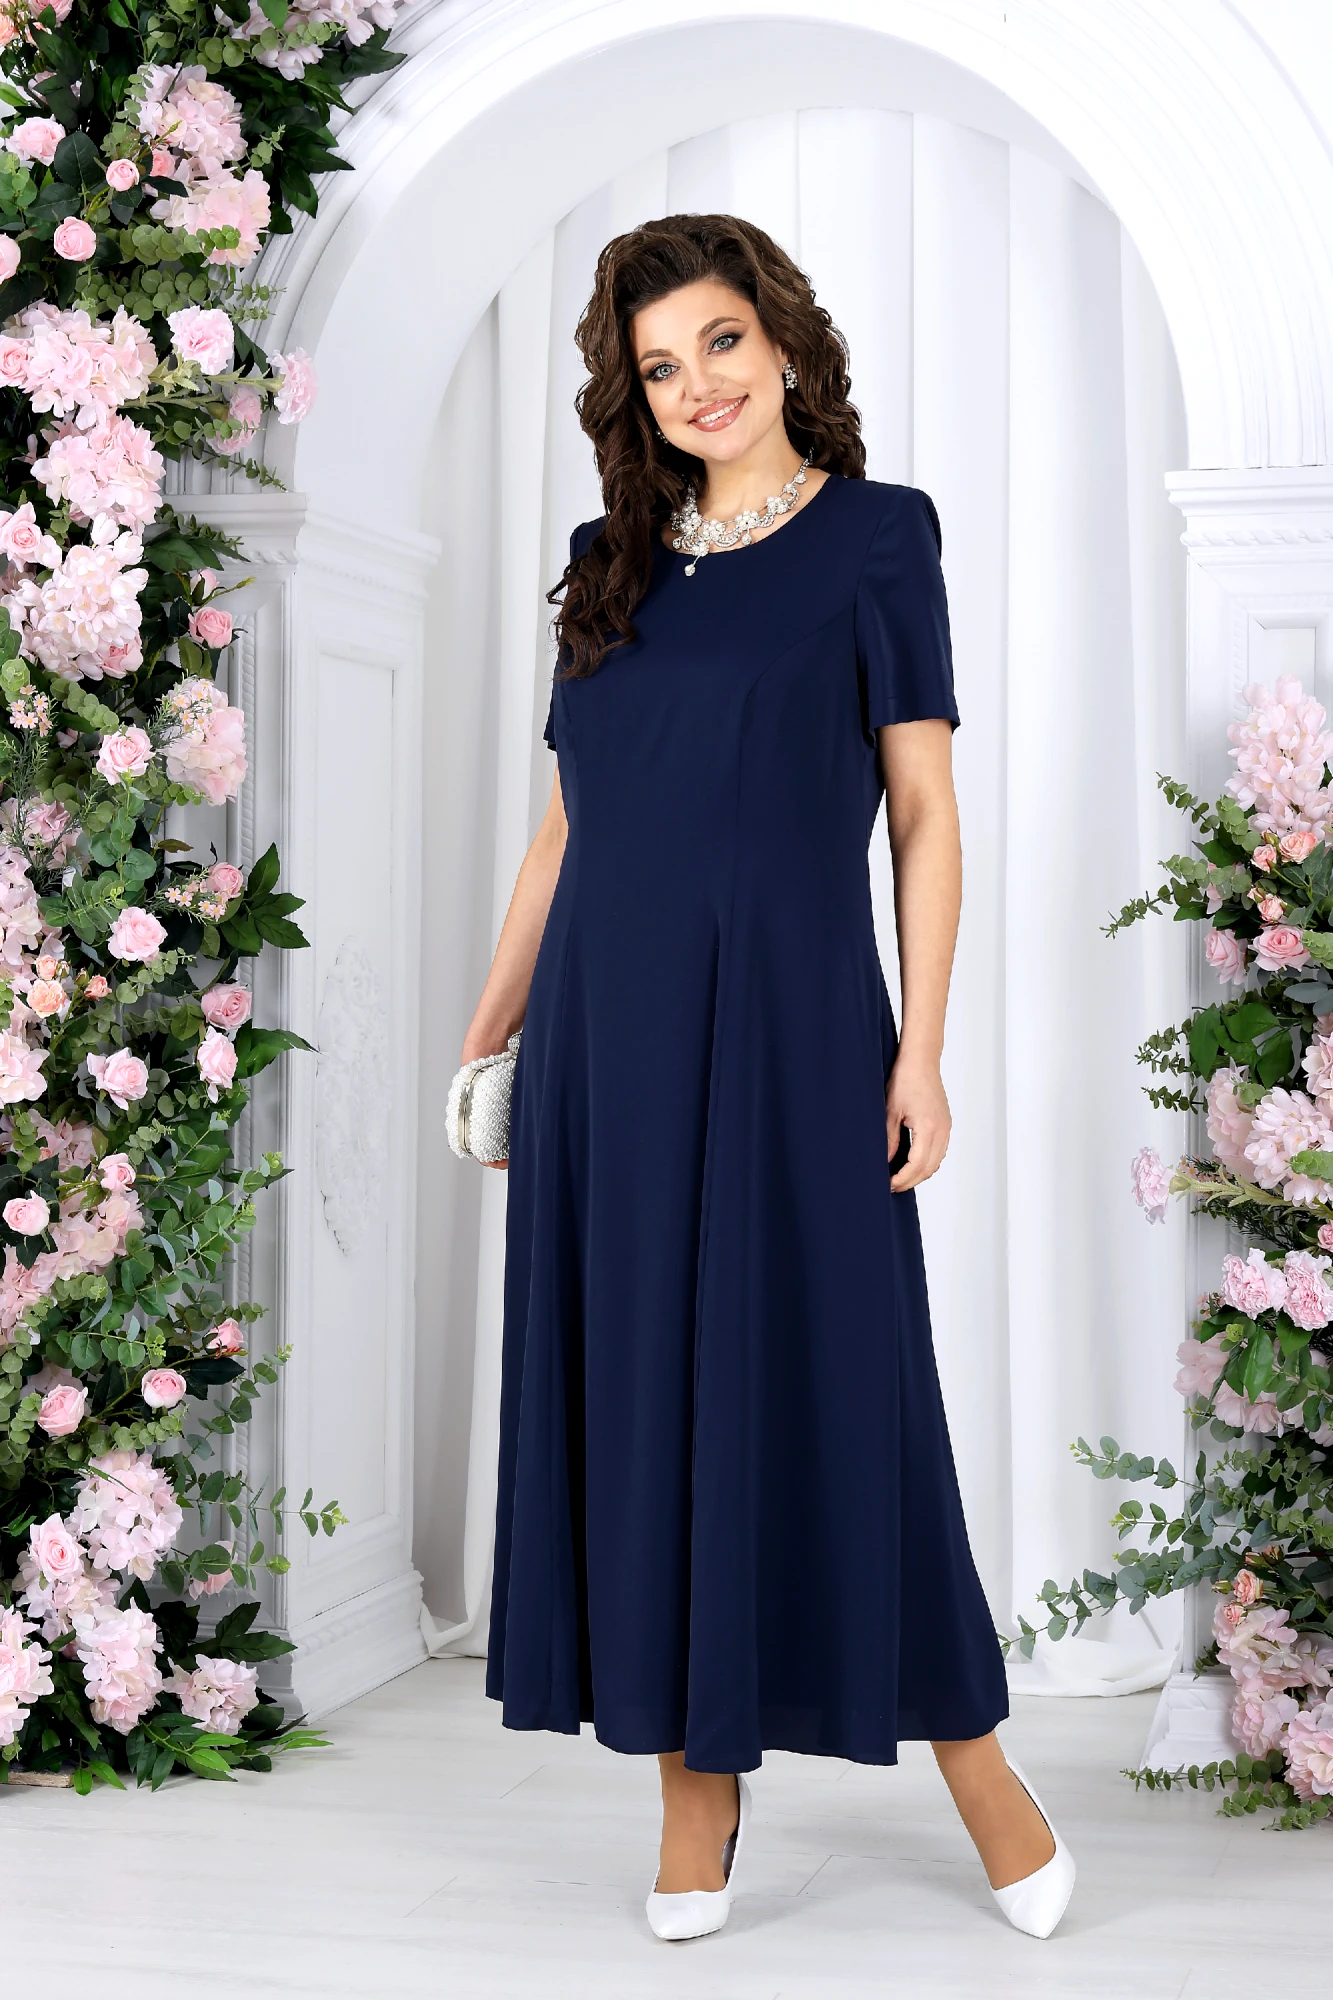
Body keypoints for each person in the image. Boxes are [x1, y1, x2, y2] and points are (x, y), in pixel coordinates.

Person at [460, 212, 1075, 1944]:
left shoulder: (880, 537)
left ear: (784, 340)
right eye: (659, 367)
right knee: (642, 1392)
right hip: (608, 1042)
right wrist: (490, 1034)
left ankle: (980, 1768)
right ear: (634, 396)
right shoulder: (605, 562)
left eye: (721, 342)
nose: (699, 386)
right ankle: (692, 1787)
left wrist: (922, 1049)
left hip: (801, 1030)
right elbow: (566, 830)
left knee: (849, 1383)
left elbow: (926, 814)